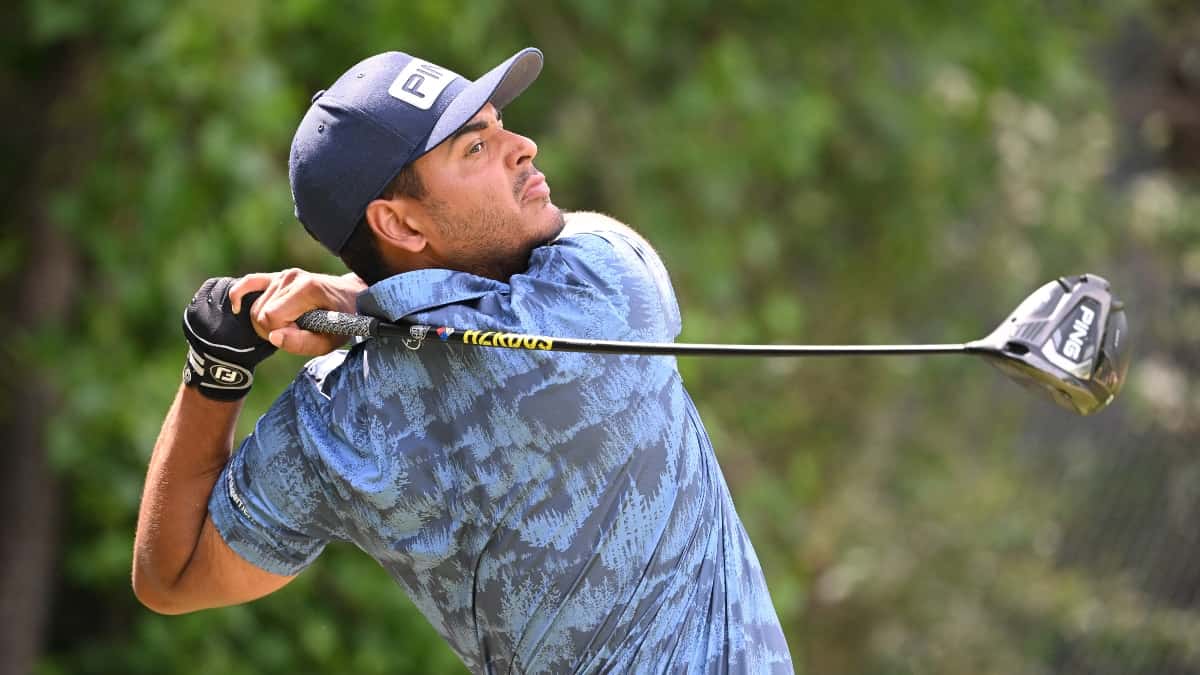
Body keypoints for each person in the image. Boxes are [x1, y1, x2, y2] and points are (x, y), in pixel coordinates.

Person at [132, 47, 794, 673]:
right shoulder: (598, 294)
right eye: (476, 146)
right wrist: (359, 303)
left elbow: (172, 576)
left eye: (498, 127)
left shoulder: (339, 423)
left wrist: (217, 364)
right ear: (401, 225)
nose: (521, 147)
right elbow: (545, 275)